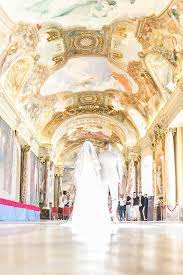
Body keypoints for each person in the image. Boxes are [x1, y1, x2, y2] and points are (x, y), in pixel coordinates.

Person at [71, 141, 112, 234]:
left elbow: (77, 172)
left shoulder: (80, 160)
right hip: (92, 180)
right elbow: (98, 172)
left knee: (83, 199)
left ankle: (81, 219)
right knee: (93, 199)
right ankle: (94, 218)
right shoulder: (94, 159)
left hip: (83, 181)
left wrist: (77, 182)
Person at [99, 141, 122, 223]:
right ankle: (114, 215)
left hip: (103, 178)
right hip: (114, 178)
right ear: (110, 146)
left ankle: (104, 215)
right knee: (114, 197)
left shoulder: (100, 155)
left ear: (104, 146)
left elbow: (98, 168)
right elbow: (119, 168)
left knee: (104, 197)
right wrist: (120, 179)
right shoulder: (116, 155)